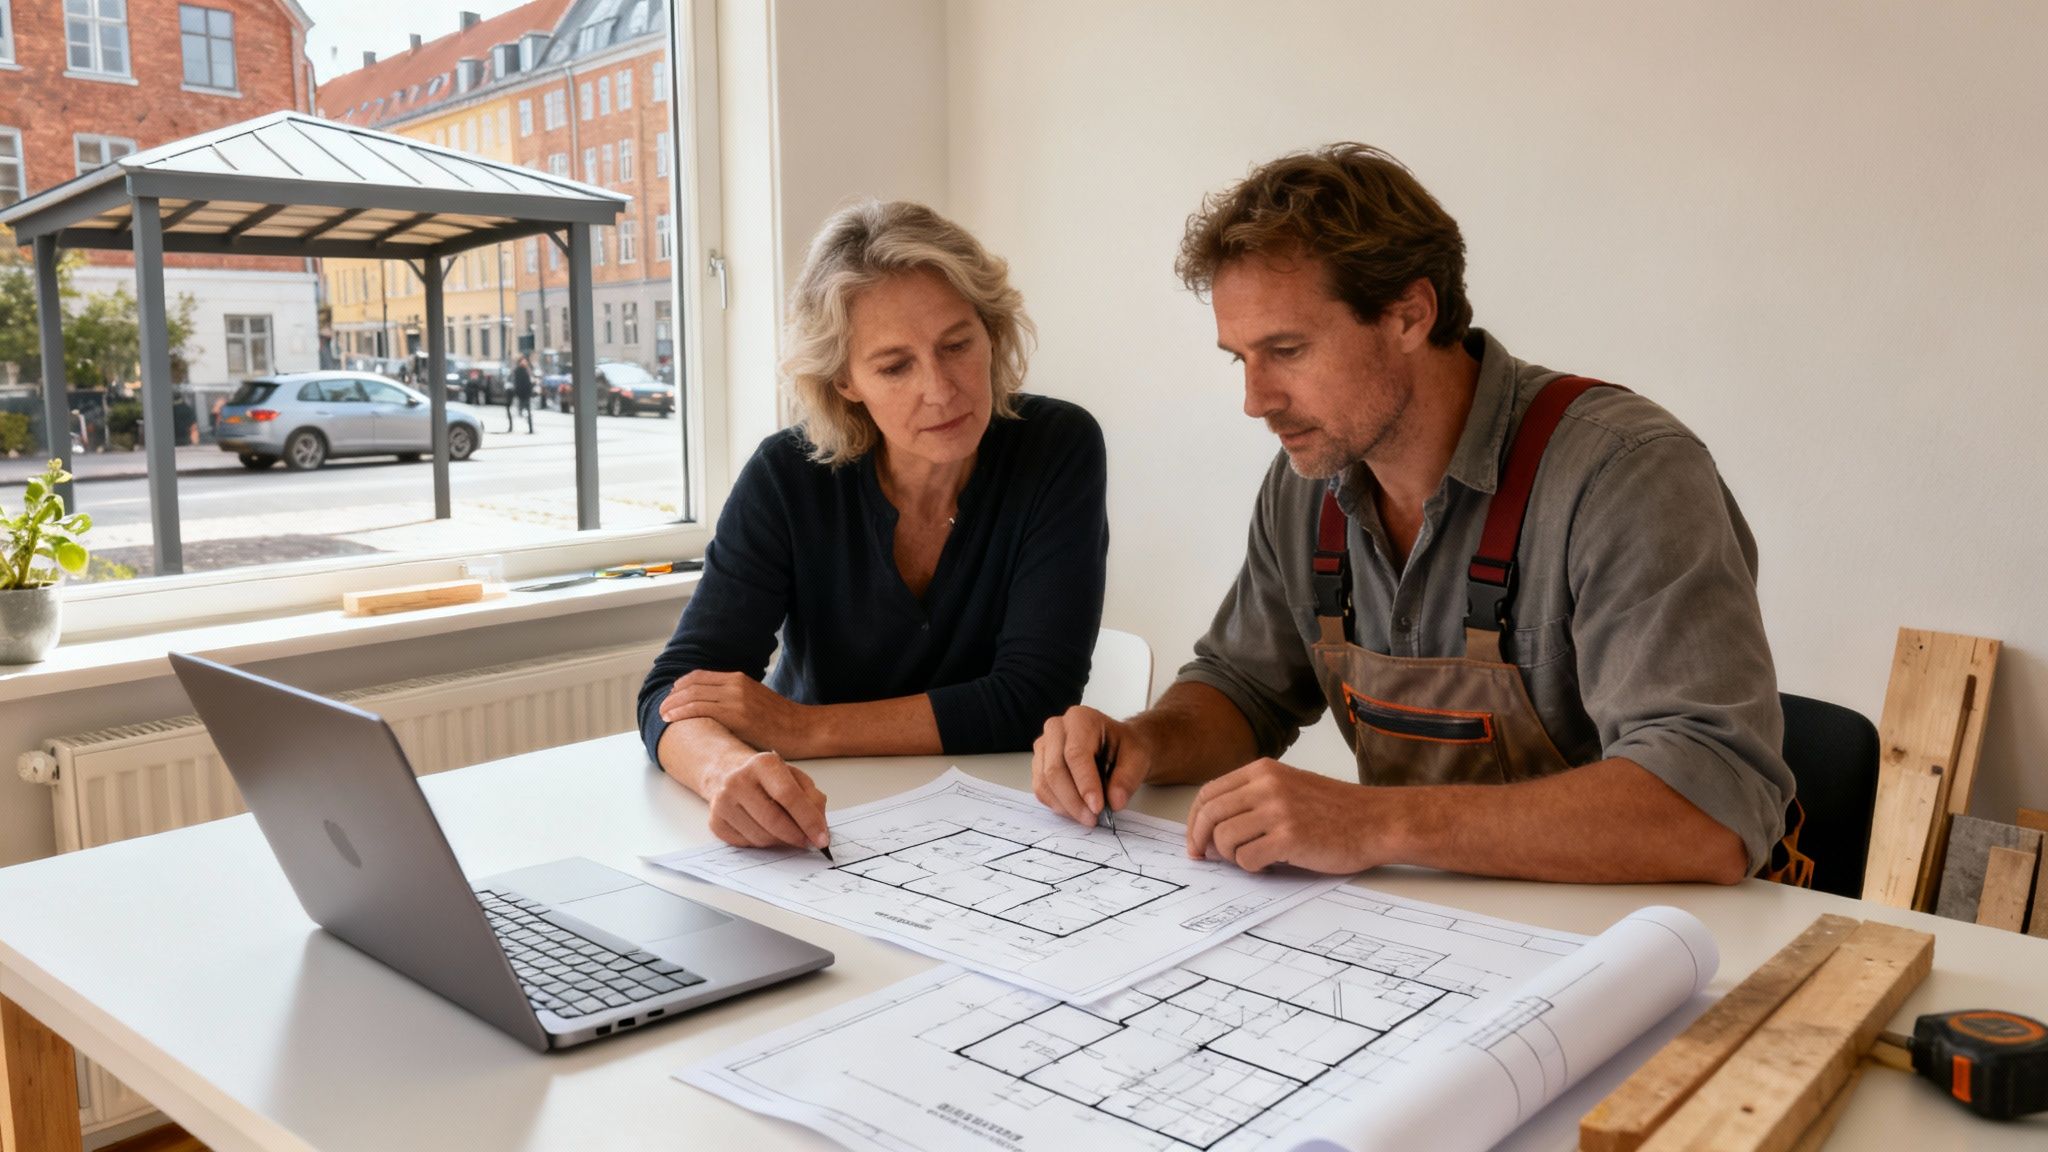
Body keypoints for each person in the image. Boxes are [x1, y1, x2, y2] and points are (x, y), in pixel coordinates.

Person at [1033, 144, 1793, 886]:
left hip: (1640, 949)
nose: (1255, 400)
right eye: (1242, 358)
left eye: (1288, 350)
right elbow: (1245, 688)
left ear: (1409, 313)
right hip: (1430, 939)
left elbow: (1710, 809)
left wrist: (1375, 823)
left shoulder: (1626, 474)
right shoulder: (1309, 478)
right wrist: (1141, 741)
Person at [639, 200, 1110, 852]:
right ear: (845, 381)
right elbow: (673, 692)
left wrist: (804, 729)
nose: (941, 390)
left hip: (999, 822)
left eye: (957, 345)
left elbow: (1031, 698)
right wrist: (723, 770)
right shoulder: (787, 475)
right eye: (895, 366)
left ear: (991, 332)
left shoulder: (1056, 446)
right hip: (826, 822)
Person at [507, 354, 535, 434]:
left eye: (525, 361)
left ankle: (530, 429)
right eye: (523, 361)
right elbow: (520, 383)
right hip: (521, 394)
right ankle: (516, 426)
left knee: (527, 412)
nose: (525, 363)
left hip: (526, 394)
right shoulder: (519, 371)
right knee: (521, 412)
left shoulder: (526, 370)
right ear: (520, 362)